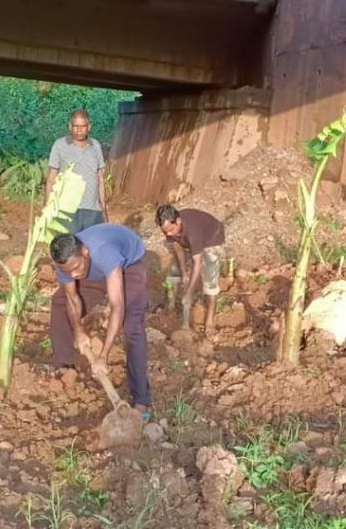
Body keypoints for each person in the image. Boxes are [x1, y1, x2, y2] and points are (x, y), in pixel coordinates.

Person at [48, 224, 151, 419]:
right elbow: (72, 299)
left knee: (132, 327)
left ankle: (141, 401)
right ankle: (65, 368)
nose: (74, 274)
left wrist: (103, 355)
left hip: (129, 267)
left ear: (85, 252)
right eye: (68, 271)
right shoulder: (66, 264)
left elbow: (117, 306)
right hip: (95, 274)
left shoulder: (105, 251)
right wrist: (78, 331)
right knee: (59, 303)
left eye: (76, 267)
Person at [156, 204, 225, 333]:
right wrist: (183, 272)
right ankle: (170, 309)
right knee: (173, 274)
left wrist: (189, 293)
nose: (168, 233)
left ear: (178, 221)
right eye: (165, 231)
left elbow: (197, 262)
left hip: (212, 238)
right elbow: (177, 247)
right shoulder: (168, 228)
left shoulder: (193, 230)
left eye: (170, 230)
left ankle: (209, 321)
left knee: (210, 280)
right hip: (188, 242)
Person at [45, 109, 108, 233]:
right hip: (66, 209)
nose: (79, 130)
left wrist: (104, 208)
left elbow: (100, 179)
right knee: (69, 249)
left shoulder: (95, 146)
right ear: (70, 126)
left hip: (92, 209)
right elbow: (51, 179)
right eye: (76, 126)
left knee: (90, 248)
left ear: (89, 127)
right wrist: (48, 208)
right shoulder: (60, 145)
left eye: (83, 126)